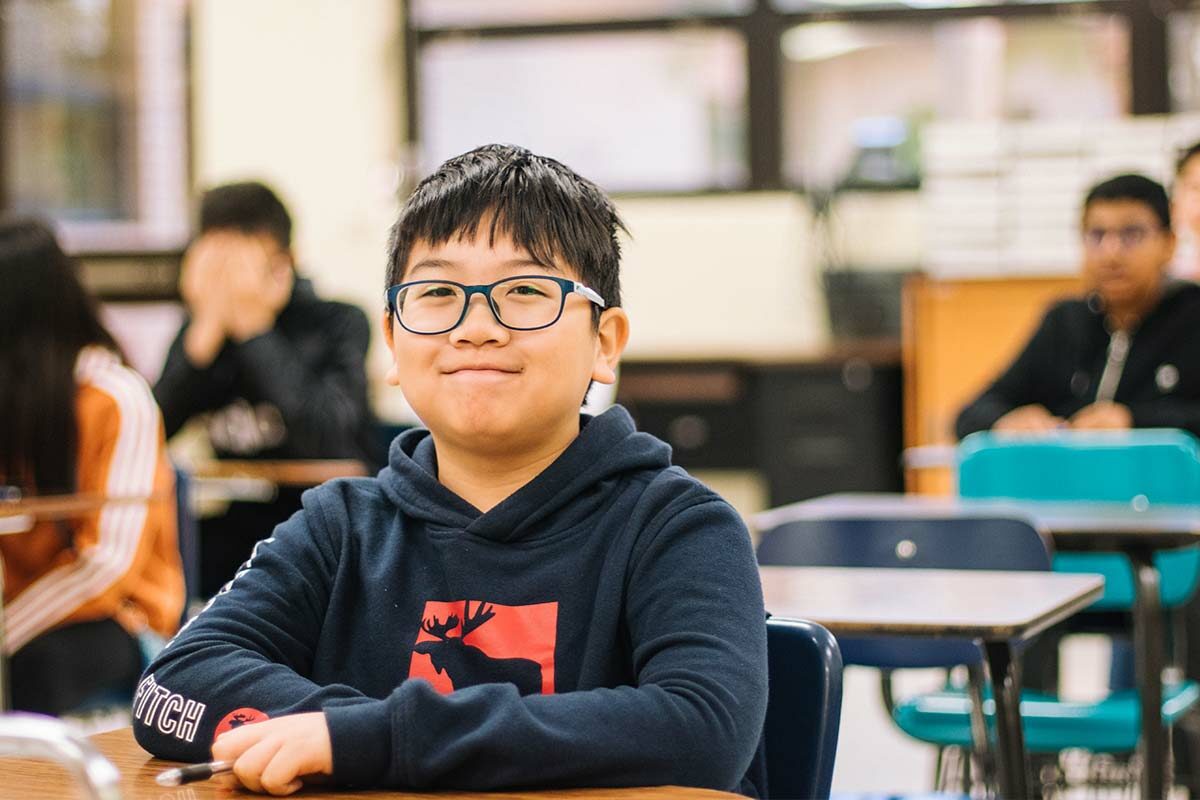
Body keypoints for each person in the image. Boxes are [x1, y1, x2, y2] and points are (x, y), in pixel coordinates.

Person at [131, 145, 768, 796]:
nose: (476, 326)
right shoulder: (340, 525)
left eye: (525, 291)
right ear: (393, 343)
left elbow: (702, 732)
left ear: (605, 343)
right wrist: (345, 731)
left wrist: (371, 740)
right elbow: (170, 686)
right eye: (437, 293)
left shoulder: (681, 526)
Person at [154, 181, 377, 596]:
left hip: (328, 528)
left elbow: (329, 436)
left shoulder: (338, 322)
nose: (227, 282)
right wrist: (202, 338)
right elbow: (151, 434)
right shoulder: (204, 335)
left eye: (236, 265)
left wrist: (256, 331)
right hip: (233, 531)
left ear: (284, 262)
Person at [0, 219, 184, 715]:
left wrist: (6, 631)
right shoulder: (13, 403)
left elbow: (107, 564)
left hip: (122, 621)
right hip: (21, 617)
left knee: (32, 672)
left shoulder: (117, 399)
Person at [956, 173, 1200, 439]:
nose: (1111, 252)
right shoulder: (1065, 322)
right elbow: (969, 415)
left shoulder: (1192, 317)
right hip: (1068, 479)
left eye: (1132, 234)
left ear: (1169, 244)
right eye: (1097, 235)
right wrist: (1007, 421)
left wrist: (1133, 422)